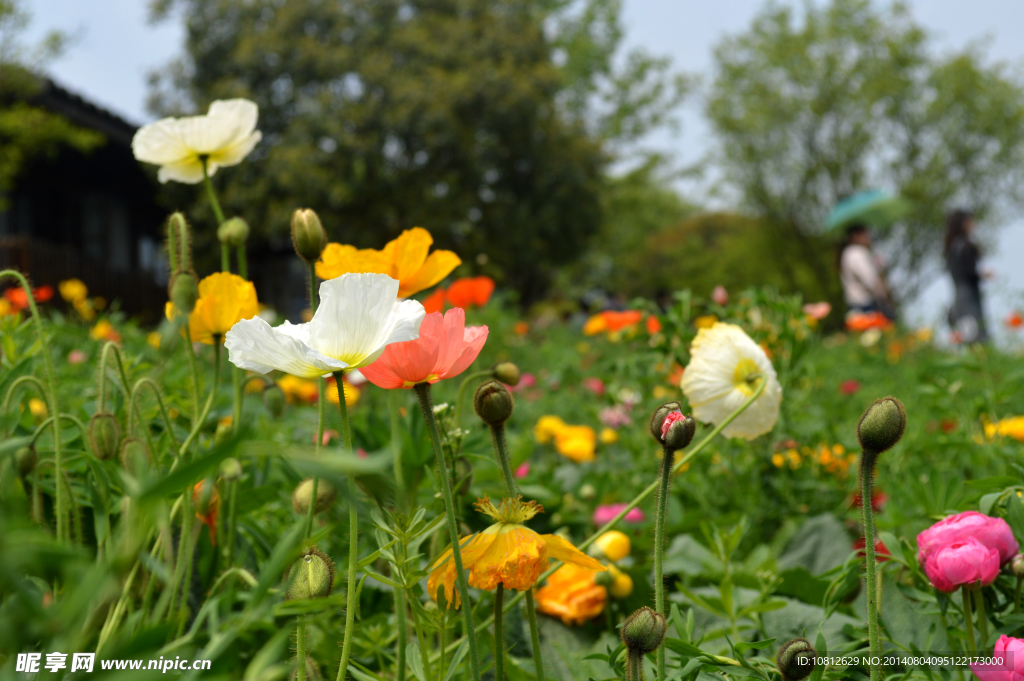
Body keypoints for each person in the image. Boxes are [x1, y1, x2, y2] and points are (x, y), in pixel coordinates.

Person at [945, 210, 988, 343]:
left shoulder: (952, 245)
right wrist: (982, 274)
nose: (973, 224)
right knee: (976, 335)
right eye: (971, 221)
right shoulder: (964, 245)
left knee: (965, 335)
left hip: (958, 296)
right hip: (969, 297)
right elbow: (969, 273)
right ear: (963, 224)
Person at [838, 224, 894, 319]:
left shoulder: (847, 253)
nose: (868, 237)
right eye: (865, 234)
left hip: (855, 303)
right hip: (864, 304)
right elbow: (871, 281)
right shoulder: (856, 253)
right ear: (855, 236)